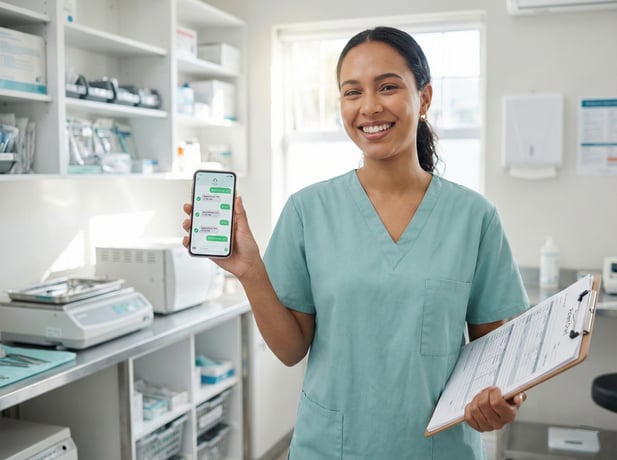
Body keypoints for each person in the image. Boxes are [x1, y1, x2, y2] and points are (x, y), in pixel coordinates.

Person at [183, 26, 529, 460]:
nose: (369, 107)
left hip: (440, 450)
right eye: (352, 92)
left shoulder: (474, 218)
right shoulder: (308, 211)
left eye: (388, 87)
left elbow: (498, 361)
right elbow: (291, 350)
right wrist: (250, 269)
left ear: (424, 99)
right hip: (332, 448)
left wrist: (502, 402)